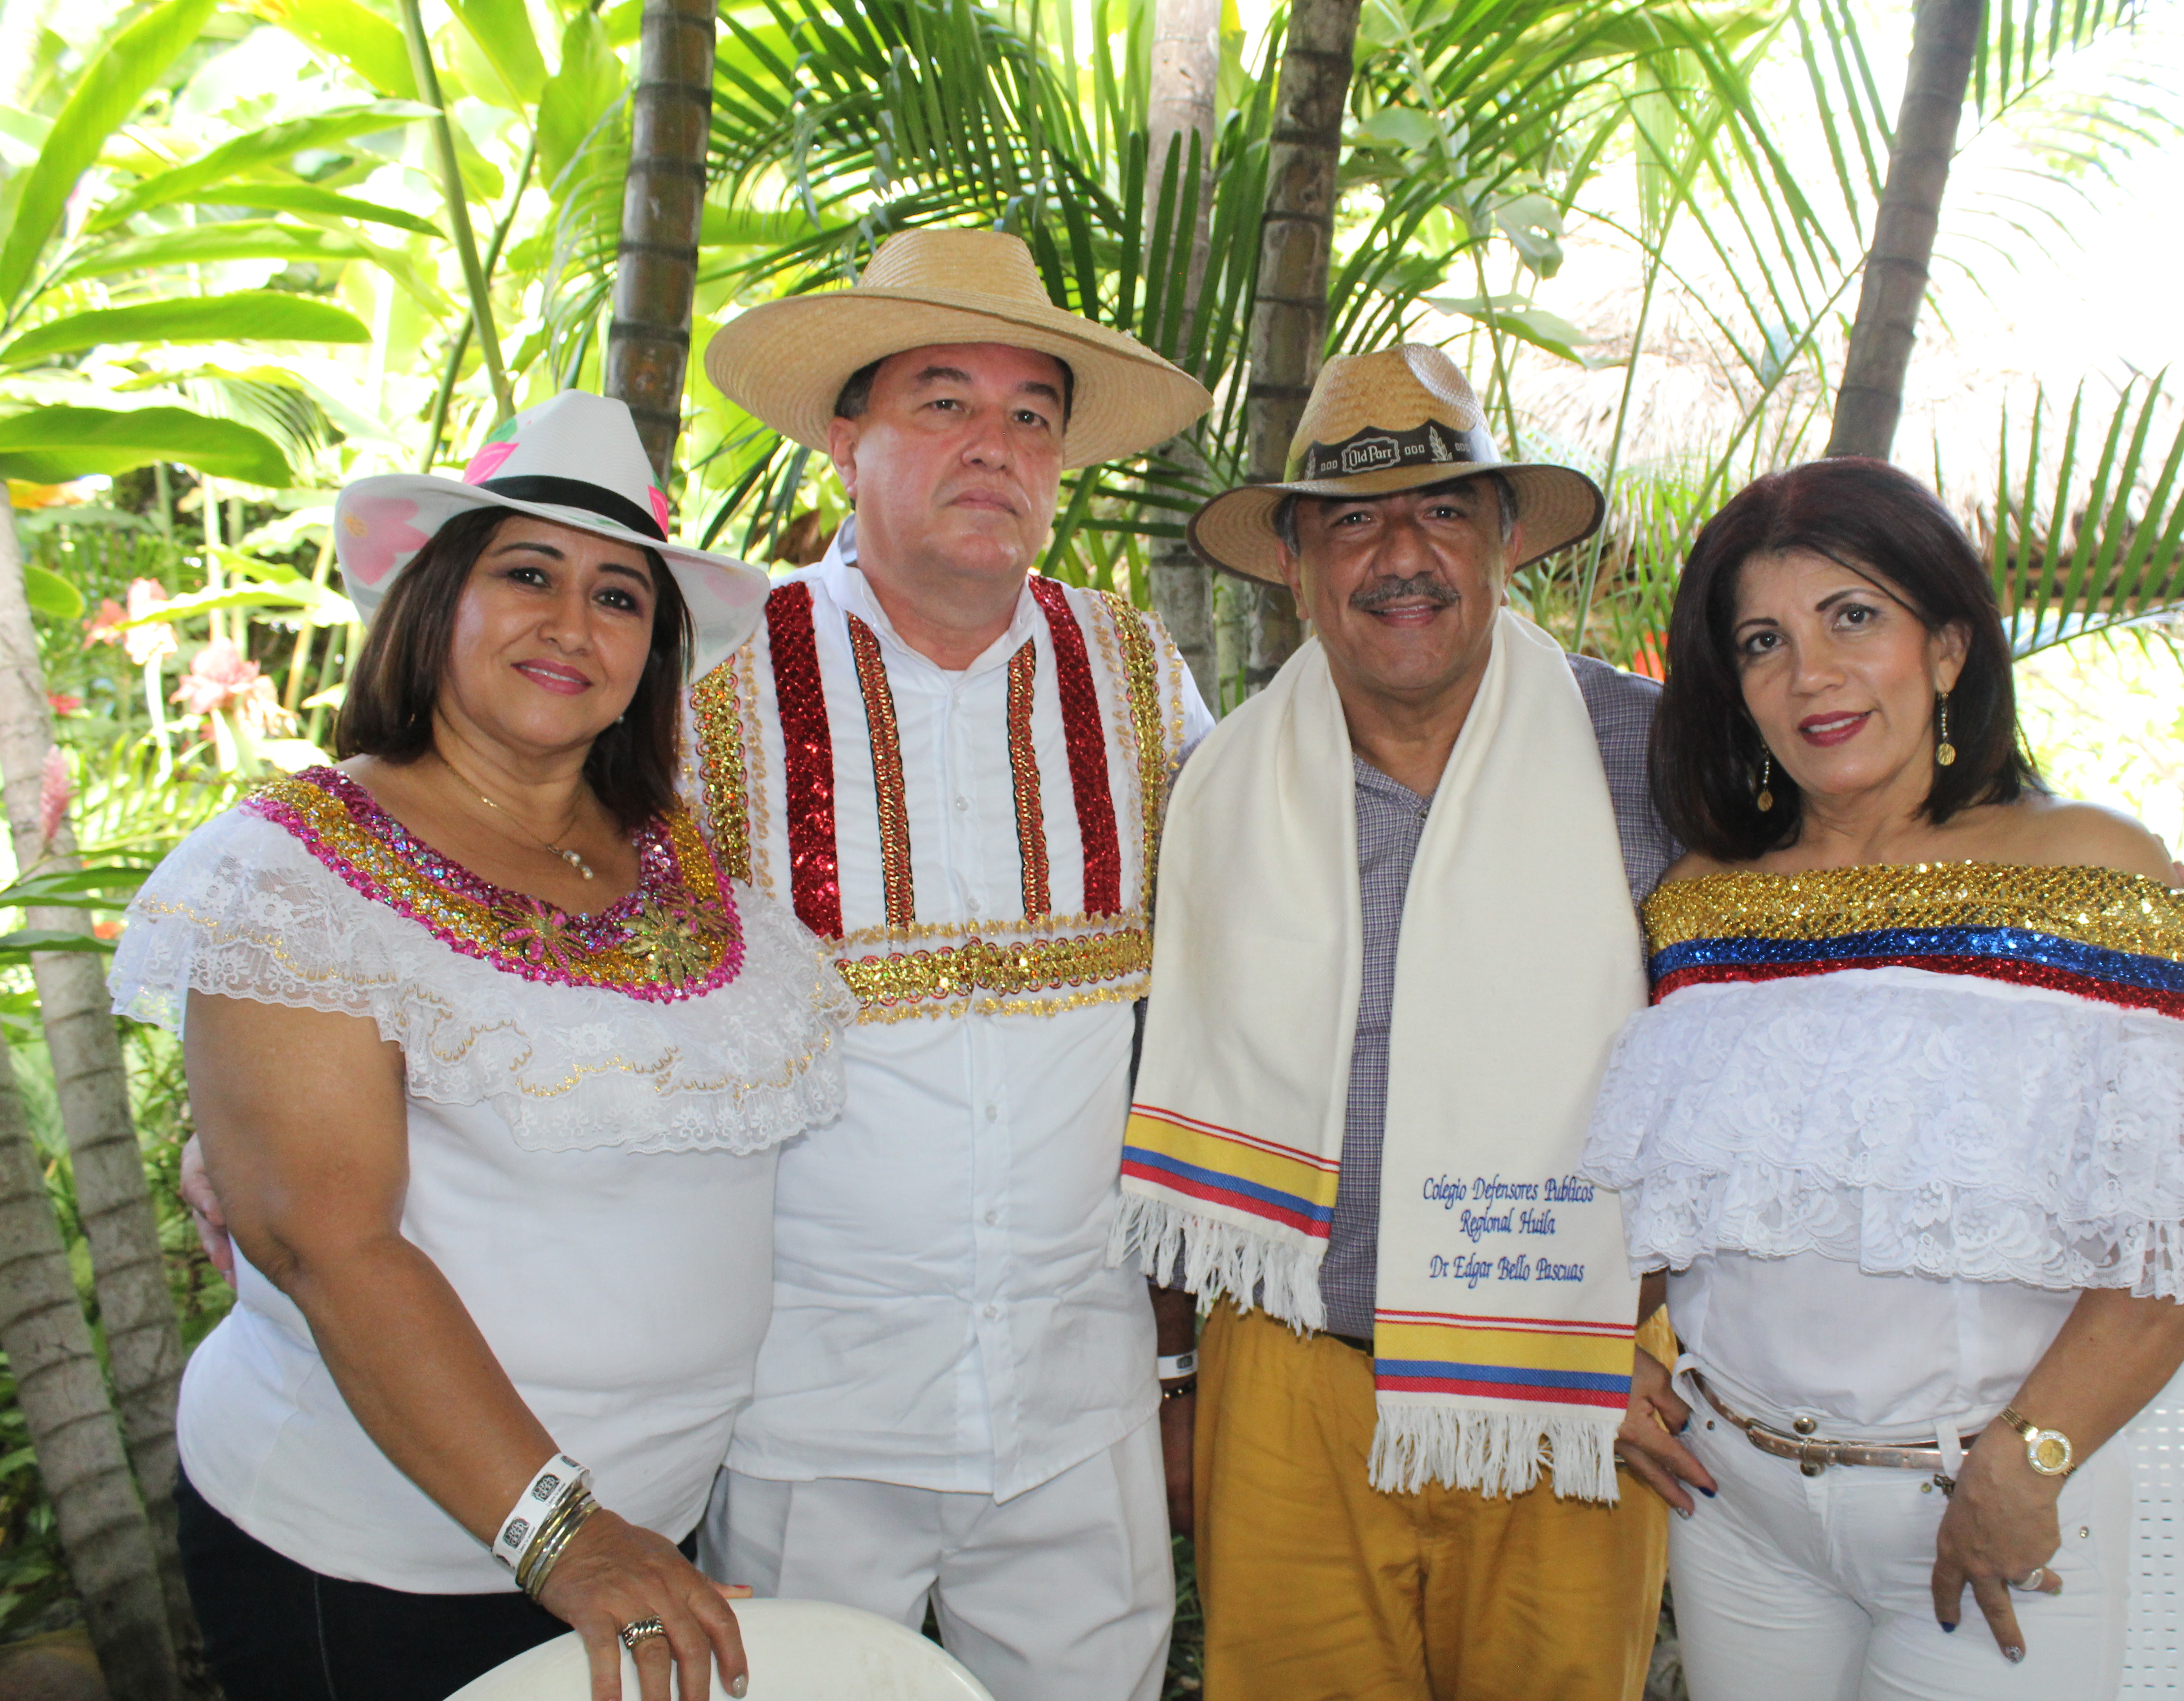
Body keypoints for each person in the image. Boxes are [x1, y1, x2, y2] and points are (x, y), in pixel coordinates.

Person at [1580, 457, 2184, 1701]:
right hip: (1733, 1512)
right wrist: (1593, 1349)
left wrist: (2034, 1457)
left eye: (1854, 619)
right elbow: (1671, 1185)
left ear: (1946, 649)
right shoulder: (1696, 904)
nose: (1812, 675)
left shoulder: (2097, 871)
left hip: (1993, 1511)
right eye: (1763, 641)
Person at [116, 392, 854, 1701]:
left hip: (655, 1536)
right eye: (529, 573)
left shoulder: (680, 858)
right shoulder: (288, 878)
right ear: (434, 601)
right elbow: (327, 1241)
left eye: (622, 596)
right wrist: (567, 1535)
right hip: (388, 1561)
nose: (574, 623)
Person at [1118, 344, 1709, 1701]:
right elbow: (1165, 1079)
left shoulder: (1651, 760)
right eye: (1355, 522)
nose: (1403, 555)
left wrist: (1630, 1327)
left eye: (1444, 511)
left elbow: (1727, 1080)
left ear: (1506, 541)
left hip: (1577, 1366)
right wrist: (1170, 1376)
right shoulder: (1215, 792)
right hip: (1292, 1380)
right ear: (1298, 564)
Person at [681, 227, 1216, 1701]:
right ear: (845, 437)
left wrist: (1180, 1364)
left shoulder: (1141, 672)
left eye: (1031, 415)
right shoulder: (709, 671)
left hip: (1076, 1405)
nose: (995, 446)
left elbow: (1247, 971)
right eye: (943, 402)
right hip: (805, 1411)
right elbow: (542, 915)